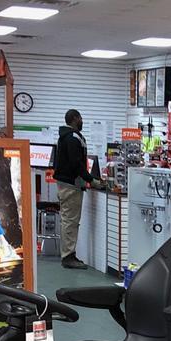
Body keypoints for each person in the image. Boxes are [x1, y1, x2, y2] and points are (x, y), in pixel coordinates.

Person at [52, 109, 97, 270]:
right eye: (80, 118)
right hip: (70, 185)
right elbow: (76, 163)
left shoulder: (67, 137)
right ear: (75, 118)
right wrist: (91, 179)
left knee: (68, 221)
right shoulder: (72, 138)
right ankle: (68, 257)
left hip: (67, 183)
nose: (82, 121)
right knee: (70, 221)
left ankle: (68, 254)